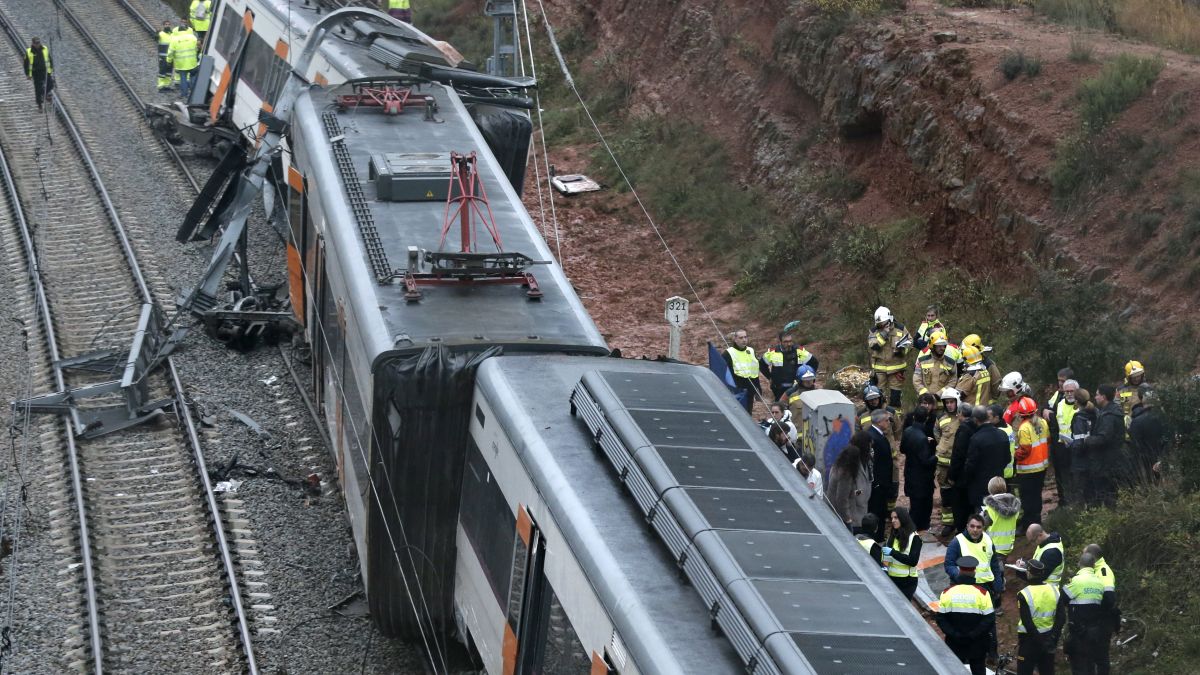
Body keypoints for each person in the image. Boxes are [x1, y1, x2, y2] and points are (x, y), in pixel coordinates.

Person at [936, 555, 995, 675]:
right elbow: (989, 619)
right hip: (977, 644)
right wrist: (972, 635)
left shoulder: (947, 593)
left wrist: (955, 634)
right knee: (978, 670)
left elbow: (940, 619)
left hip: (954, 643)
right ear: (974, 571)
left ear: (959, 571)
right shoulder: (983, 593)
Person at [1061, 551, 1118, 675]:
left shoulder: (1076, 581)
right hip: (1094, 632)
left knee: (1078, 667)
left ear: (1079, 564)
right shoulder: (1099, 583)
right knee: (1090, 665)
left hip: (1078, 633)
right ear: (1093, 566)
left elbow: (1062, 599)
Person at [962, 405, 1011, 522]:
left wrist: (967, 479)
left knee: (981, 520)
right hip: (998, 483)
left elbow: (971, 465)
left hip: (980, 487)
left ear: (975, 420)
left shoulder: (976, 439)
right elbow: (1007, 458)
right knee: (998, 517)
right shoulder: (1002, 434)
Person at [1016, 559, 1065, 675]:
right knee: (1047, 671)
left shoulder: (1024, 594)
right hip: (1049, 640)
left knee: (1024, 671)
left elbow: (1027, 623)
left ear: (1028, 573)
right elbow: (1061, 618)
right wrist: (1052, 638)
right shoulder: (1055, 590)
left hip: (1029, 641)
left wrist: (1039, 641)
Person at [1084, 385, 1125, 505]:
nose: (1095, 397)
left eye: (1097, 394)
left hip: (1107, 462)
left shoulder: (1109, 416)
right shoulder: (1110, 411)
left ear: (1104, 397)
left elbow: (1104, 438)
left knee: (1108, 493)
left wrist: (1088, 440)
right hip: (1110, 459)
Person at [945, 513, 1002, 600]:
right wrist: (959, 576)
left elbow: (994, 564)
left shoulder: (988, 540)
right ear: (967, 526)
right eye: (972, 526)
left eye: (978, 527)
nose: (975, 530)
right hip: (965, 586)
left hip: (986, 585)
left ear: (983, 528)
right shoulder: (957, 542)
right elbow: (949, 565)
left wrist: (997, 582)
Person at [1014, 396, 1050, 528]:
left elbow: (1025, 449)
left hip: (1028, 469)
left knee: (1027, 498)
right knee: (1036, 495)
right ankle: (1037, 520)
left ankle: (1028, 525)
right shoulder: (1043, 422)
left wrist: (1014, 454)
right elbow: (1048, 440)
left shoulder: (1024, 428)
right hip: (1042, 466)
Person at [867, 306, 912, 408]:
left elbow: (910, 342)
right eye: (878, 324)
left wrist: (901, 350)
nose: (880, 325)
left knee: (896, 397)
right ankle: (880, 416)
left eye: (882, 323)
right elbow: (873, 346)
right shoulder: (874, 331)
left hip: (897, 369)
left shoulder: (900, 328)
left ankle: (896, 418)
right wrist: (883, 334)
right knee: (878, 396)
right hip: (879, 369)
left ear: (889, 320)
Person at [901, 406, 937, 531]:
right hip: (922, 477)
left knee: (914, 503)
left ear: (914, 417)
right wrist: (936, 456)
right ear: (926, 418)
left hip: (910, 473)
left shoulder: (908, 431)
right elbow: (926, 461)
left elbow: (902, 449)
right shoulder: (922, 438)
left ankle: (915, 527)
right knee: (923, 505)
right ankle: (919, 528)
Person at [1044, 377, 1078, 506]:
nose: (1069, 393)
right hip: (1061, 446)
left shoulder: (1082, 404)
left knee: (1076, 475)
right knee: (1062, 476)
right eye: (1067, 391)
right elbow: (1052, 421)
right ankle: (1064, 502)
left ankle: (1077, 502)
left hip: (1078, 447)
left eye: (1072, 391)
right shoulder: (1059, 405)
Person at [947, 402, 979, 536]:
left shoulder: (963, 429)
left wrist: (952, 475)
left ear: (960, 413)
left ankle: (961, 531)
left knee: (959, 506)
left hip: (961, 475)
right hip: (973, 474)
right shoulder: (977, 427)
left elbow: (958, 454)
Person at [934, 388, 963, 536]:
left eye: (952, 402)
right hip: (942, 463)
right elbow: (937, 434)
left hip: (958, 463)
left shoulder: (962, 417)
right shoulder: (940, 418)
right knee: (945, 493)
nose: (950, 405)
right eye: (947, 402)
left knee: (959, 492)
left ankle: (960, 521)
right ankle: (948, 522)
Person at [828, 432, 872, 530]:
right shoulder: (846, 472)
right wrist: (847, 519)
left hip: (857, 513)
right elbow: (841, 497)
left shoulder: (842, 464)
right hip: (851, 517)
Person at [867, 410, 898, 541]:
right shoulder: (874, 438)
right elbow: (874, 463)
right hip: (878, 484)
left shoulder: (877, 435)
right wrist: (879, 483)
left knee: (880, 511)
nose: (888, 423)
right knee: (877, 512)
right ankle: (876, 538)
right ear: (879, 422)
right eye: (886, 420)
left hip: (881, 483)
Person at [761, 331, 817, 401]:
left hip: (796, 387)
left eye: (790, 341)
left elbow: (814, 362)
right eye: (786, 342)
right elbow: (762, 364)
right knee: (780, 407)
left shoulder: (799, 351)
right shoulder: (773, 352)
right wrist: (770, 377)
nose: (789, 344)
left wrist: (809, 379)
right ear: (780, 342)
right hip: (778, 387)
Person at [1128, 384, 1167, 481]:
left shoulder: (1135, 420)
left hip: (1145, 461)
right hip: (1163, 457)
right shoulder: (1164, 416)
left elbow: (1136, 445)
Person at [882, 507, 923, 600]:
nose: (893, 520)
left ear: (903, 518)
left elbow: (913, 561)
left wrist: (893, 552)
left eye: (896, 518)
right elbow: (887, 559)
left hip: (907, 582)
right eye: (892, 518)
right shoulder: (892, 535)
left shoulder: (914, 538)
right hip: (892, 579)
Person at [980, 476, 1021, 563]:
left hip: (993, 547)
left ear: (990, 489)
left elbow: (980, 527)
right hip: (1008, 546)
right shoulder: (1014, 507)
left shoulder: (989, 510)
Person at [1068, 388, 1097, 505]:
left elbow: (1079, 442)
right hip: (1094, 456)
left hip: (1081, 461)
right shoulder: (1095, 412)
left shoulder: (1079, 418)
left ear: (1076, 401)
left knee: (1083, 491)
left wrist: (1071, 445)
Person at [723, 329, 761, 414]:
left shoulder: (751, 351)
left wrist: (758, 388)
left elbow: (754, 370)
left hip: (750, 388)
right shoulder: (729, 353)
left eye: (745, 337)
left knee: (748, 413)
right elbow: (724, 371)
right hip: (738, 390)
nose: (744, 340)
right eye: (741, 338)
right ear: (735, 339)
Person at [913, 331, 959, 397]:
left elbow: (953, 381)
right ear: (932, 346)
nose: (942, 348)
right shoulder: (922, 361)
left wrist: (940, 394)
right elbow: (916, 380)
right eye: (939, 346)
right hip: (925, 402)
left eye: (944, 345)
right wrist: (925, 394)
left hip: (943, 401)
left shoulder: (951, 363)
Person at [168, 23, 200, 101]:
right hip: (192, 62)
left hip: (181, 64)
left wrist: (168, 60)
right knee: (193, 76)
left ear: (178, 31)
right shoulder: (193, 37)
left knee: (183, 79)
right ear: (186, 30)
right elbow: (198, 47)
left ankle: (184, 94)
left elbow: (170, 52)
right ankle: (193, 92)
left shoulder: (174, 40)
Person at [24, 37, 52, 112]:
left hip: (45, 70)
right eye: (36, 43)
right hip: (36, 72)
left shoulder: (45, 48)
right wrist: (28, 74)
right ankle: (39, 105)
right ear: (32, 43)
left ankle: (45, 94)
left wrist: (51, 68)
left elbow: (49, 58)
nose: (38, 44)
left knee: (50, 84)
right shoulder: (29, 51)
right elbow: (26, 64)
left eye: (38, 43)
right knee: (38, 89)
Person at [1118, 360, 1146, 425]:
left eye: (1138, 376)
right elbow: (1115, 406)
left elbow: (1155, 408)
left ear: (1142, 375)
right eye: (1133, 377)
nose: (1136, 379)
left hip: (1144, 424)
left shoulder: (1147, 389)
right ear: (1128, 377)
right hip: (1125, 425)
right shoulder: (1121, 390)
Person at [157, 21, 175, 90]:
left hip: (170, 57)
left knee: (169, 72)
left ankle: (167, 86)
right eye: (166, 24)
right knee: (162, 71)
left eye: (168, 24)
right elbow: (156, 38)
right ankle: (161, 86)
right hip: (163, 56)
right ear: (163, 25)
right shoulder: (161, 34)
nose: (167, 26)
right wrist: (156, 34)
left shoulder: (172, 34)